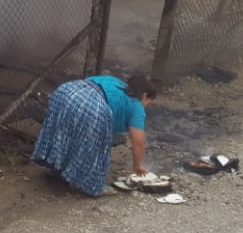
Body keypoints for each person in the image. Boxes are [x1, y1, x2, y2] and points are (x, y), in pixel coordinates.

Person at [30, 72, 160, 197]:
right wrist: (137, 165)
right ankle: (91, 185)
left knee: (65, 135)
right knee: (96, 145)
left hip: (66, 92)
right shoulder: (137, 106)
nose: (146, 106)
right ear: (144, 95)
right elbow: (138, 142)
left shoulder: (115, 82)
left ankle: (59, 171)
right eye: (148, 102)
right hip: (90, 106)